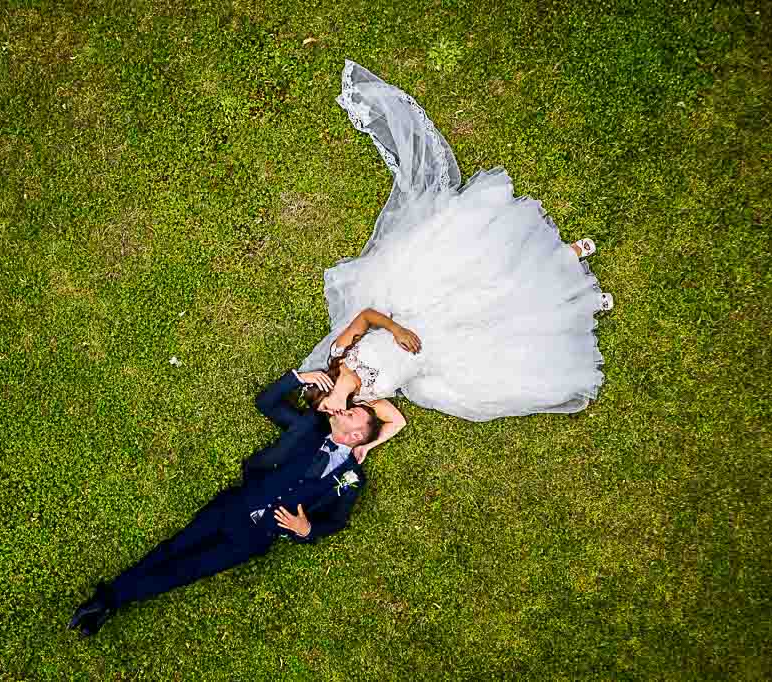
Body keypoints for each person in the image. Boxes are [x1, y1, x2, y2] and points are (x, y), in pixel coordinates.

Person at [300, 61, 613, 426]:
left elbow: (367, 316)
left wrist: (396, 330)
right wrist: (370, 444)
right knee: (509, 321)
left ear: (324, 389)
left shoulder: (341, 351)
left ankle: (568, 254)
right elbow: (395, 423)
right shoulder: (366, 401)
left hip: (422, 316)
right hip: (443, 353)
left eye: (325, 408)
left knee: (495, 282)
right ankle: (585, 300)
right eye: (328, 415)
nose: (334, 413)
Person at [67, 368, 380, 639]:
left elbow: (337, 520)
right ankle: (108, 599)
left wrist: (307, 529)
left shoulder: (352, 477)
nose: (342, 411)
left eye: (351, 414)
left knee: (187, 571)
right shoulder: (309, 427)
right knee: (172, 549)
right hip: (234, 505)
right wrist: (300, 379)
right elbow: (266, 402)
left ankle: (112, 600)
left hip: (254, 539)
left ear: (356, 436)